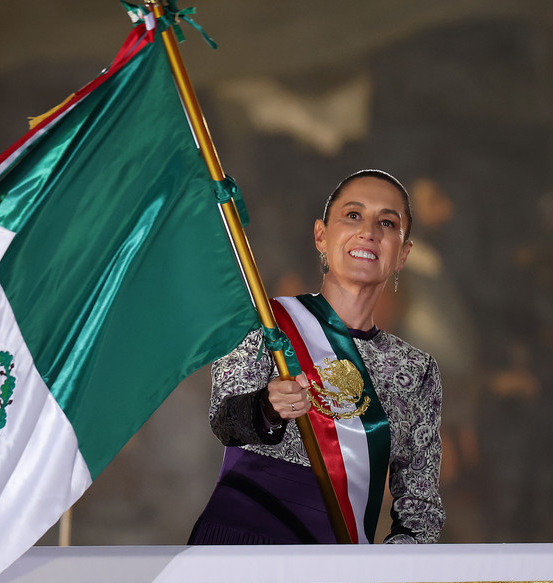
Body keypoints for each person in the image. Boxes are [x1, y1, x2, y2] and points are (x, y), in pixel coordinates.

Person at [189, 170, 444, 545]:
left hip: (337, 566)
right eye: (353, 215)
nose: (368, 232)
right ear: (321, 236)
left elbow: (420, 515)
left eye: (387, 222)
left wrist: (382, 575)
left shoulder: (416, 371)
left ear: (403, 253)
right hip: (241, 550)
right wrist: (268, 407)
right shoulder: (267, 322)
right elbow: (224, 421)